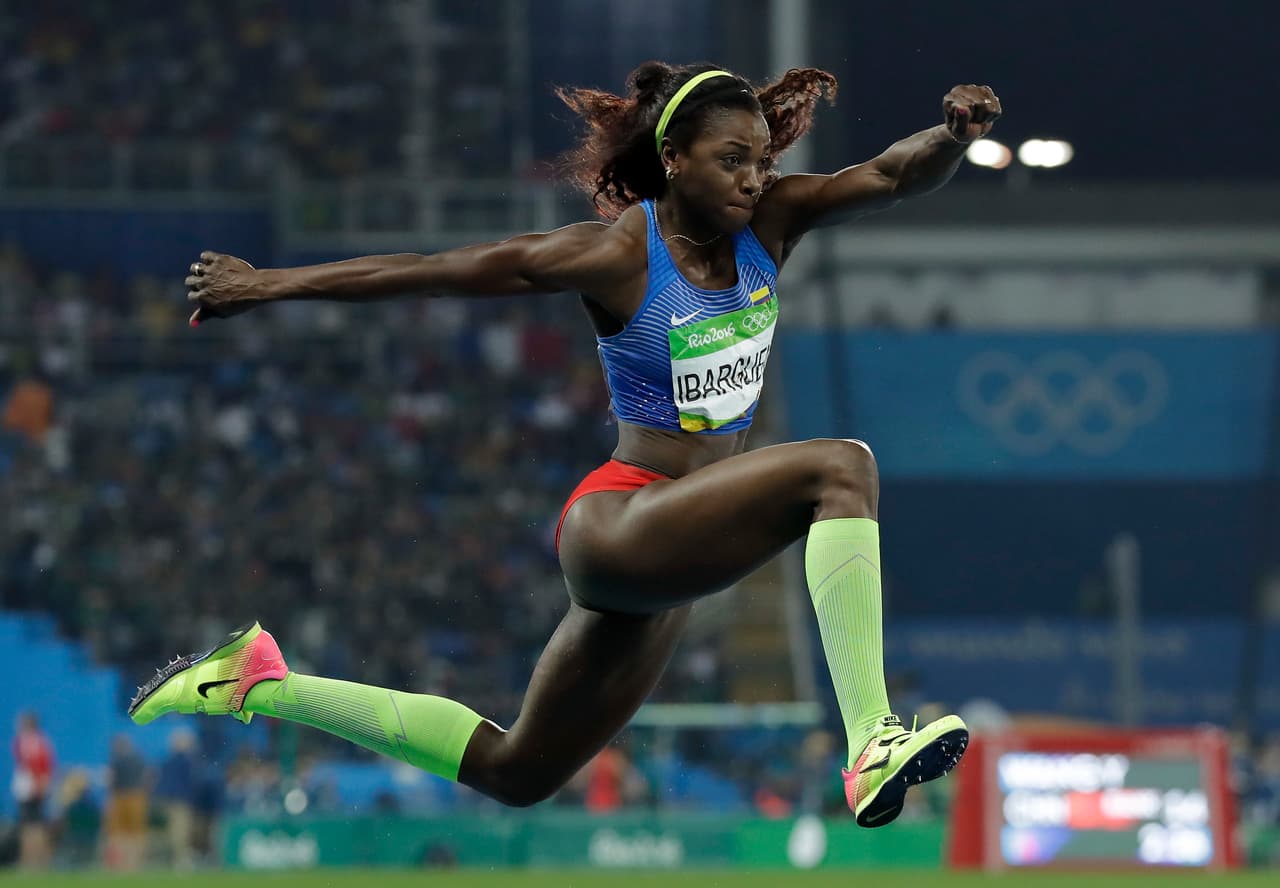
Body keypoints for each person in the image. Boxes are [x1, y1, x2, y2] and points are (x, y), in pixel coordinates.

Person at [130, 61, 1001, 828]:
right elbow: (438, 269)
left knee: (520, 772)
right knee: (841, 468)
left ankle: (256, 681)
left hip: (672, 552)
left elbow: (891, 174)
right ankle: (870, 742)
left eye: (761, 160)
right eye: (732, 159)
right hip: (618, 523)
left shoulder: (772, 220)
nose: (752, 178)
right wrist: (268, 284)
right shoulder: (620, 254)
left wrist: (951, 137)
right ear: (673, 160)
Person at [10, 711, 54, 868]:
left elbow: (37, 765)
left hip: (31, 788)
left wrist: (39, 785)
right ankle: (38, 860)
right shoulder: (40, 741)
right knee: (36, 825)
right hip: (34, 787)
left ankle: (31, 860)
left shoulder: (30, 741)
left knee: (31, 826)